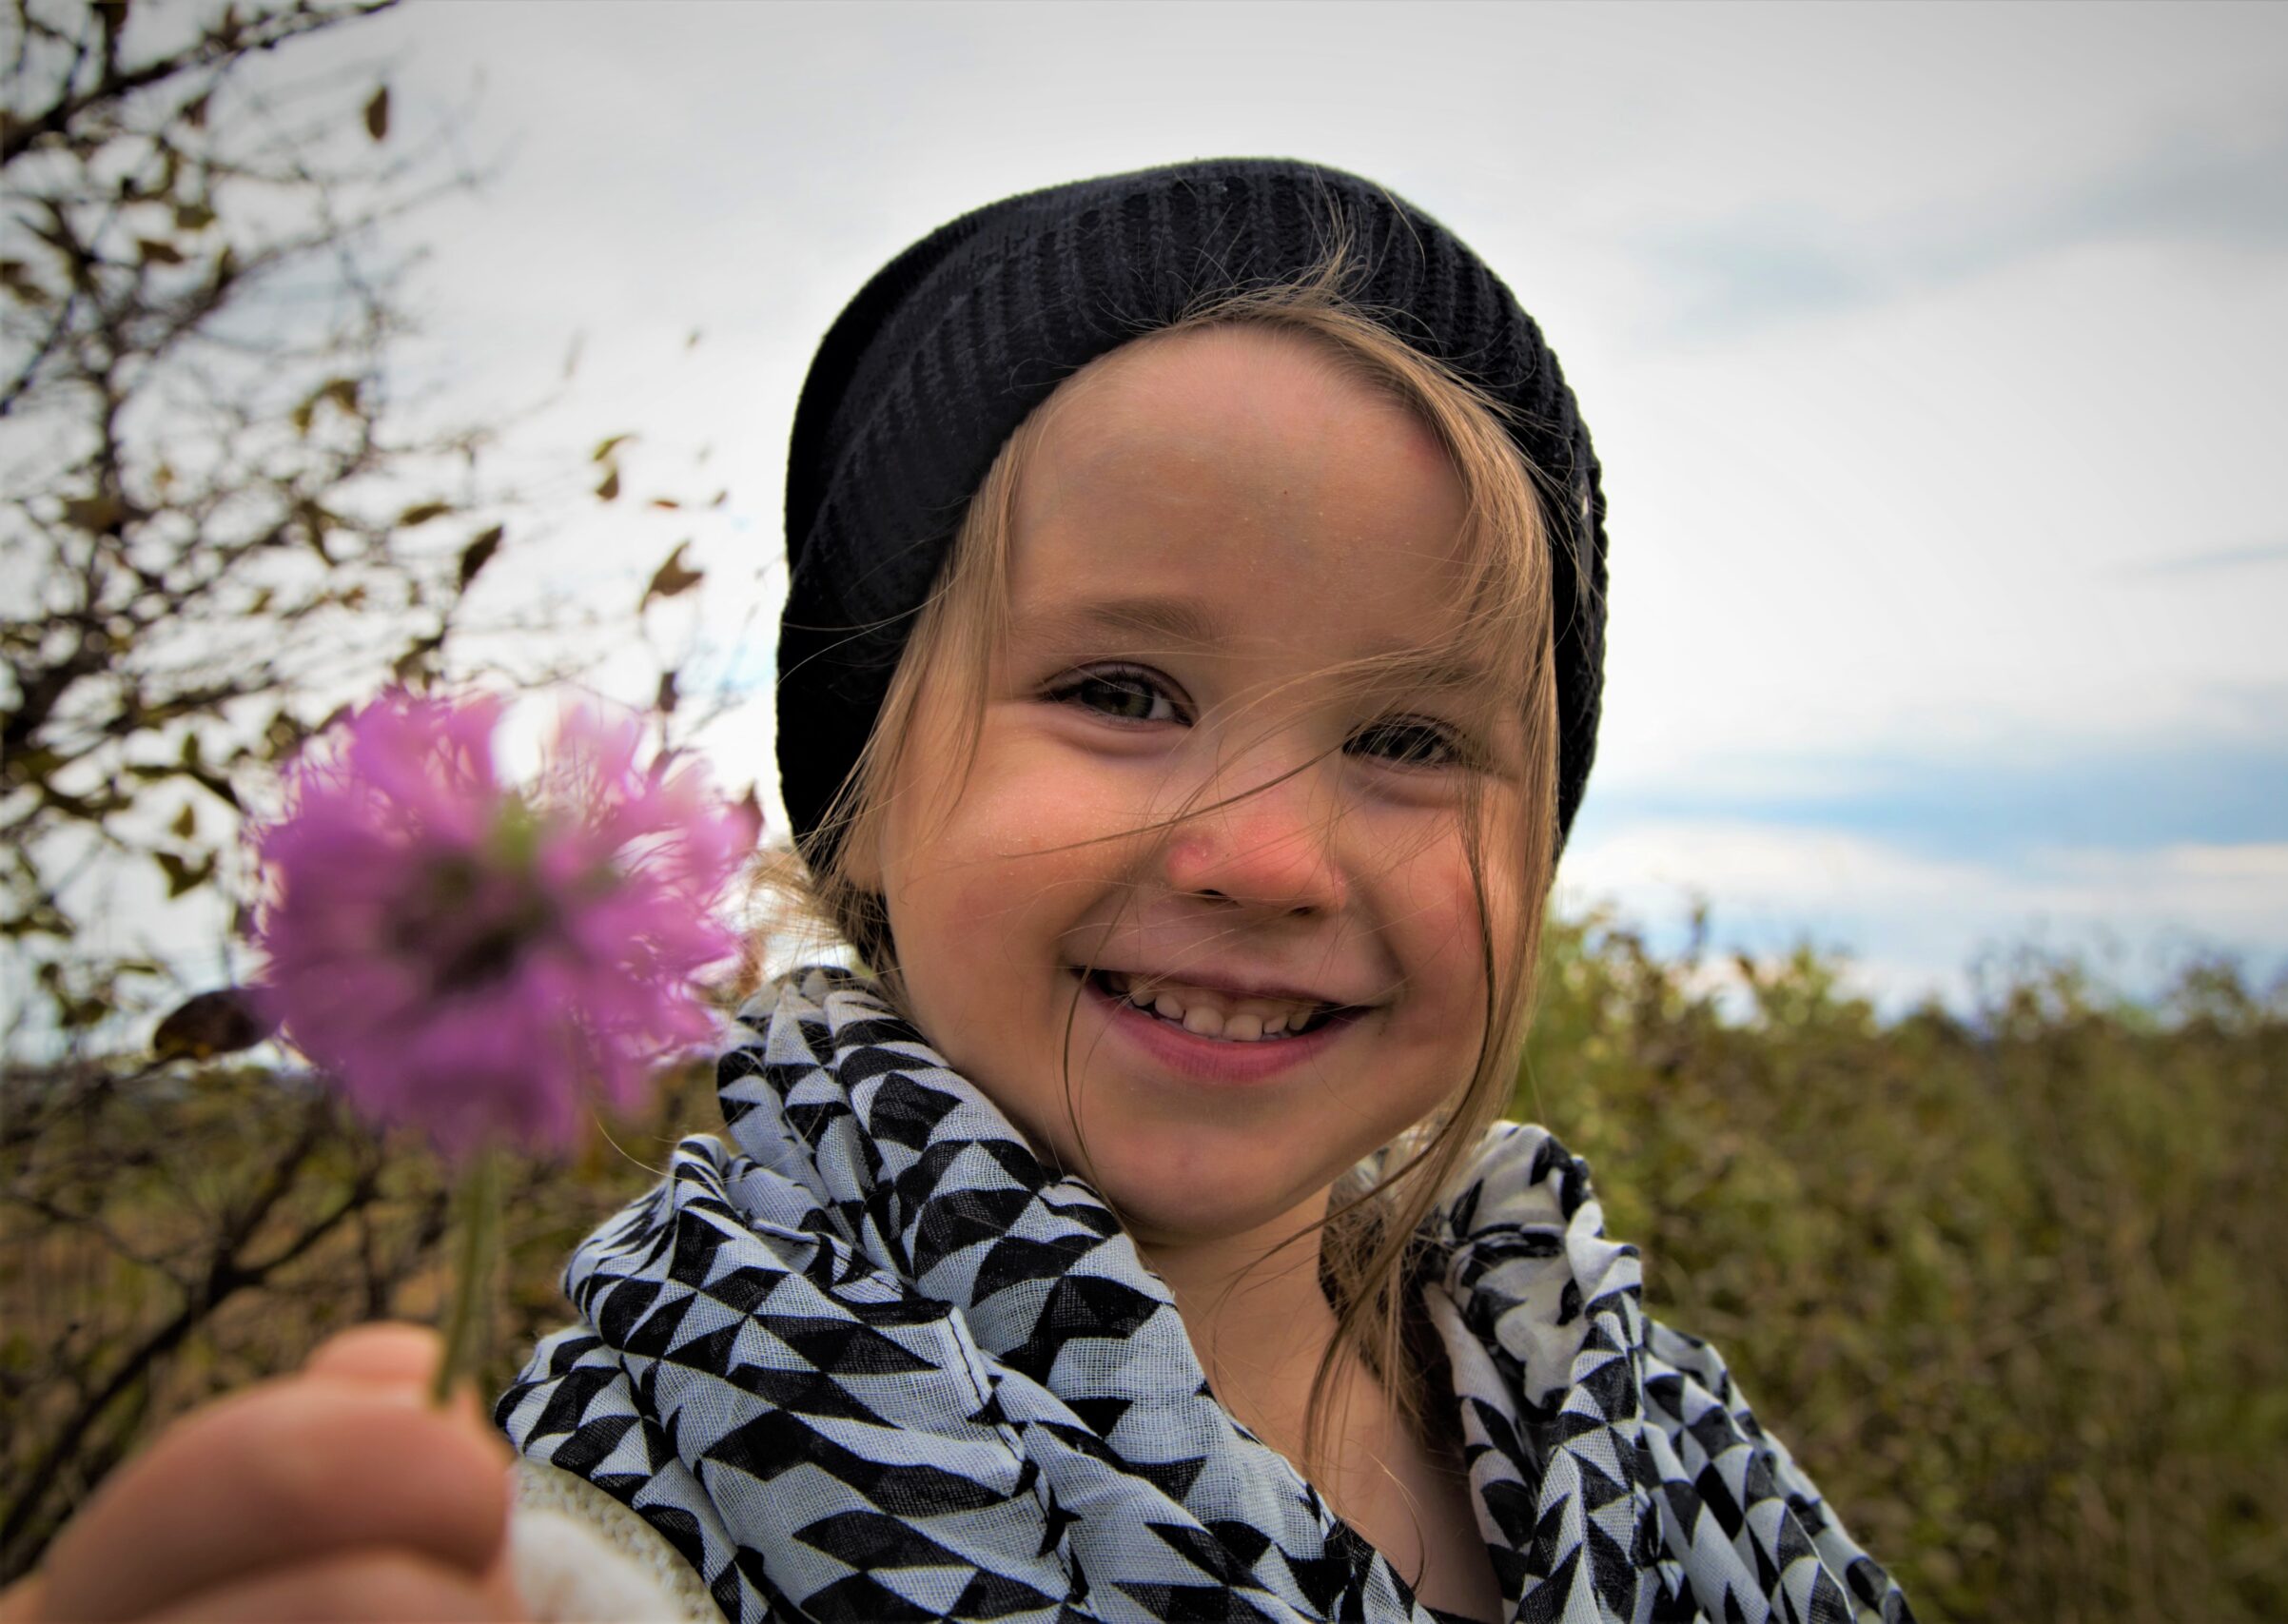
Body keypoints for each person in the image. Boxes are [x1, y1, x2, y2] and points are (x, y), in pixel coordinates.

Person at [4, 160, 1907, 1624]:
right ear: (861, 804)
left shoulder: (1621, 1404)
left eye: (1410, 738)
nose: (1260, 855)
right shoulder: (619, 1526)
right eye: (1116, 693)